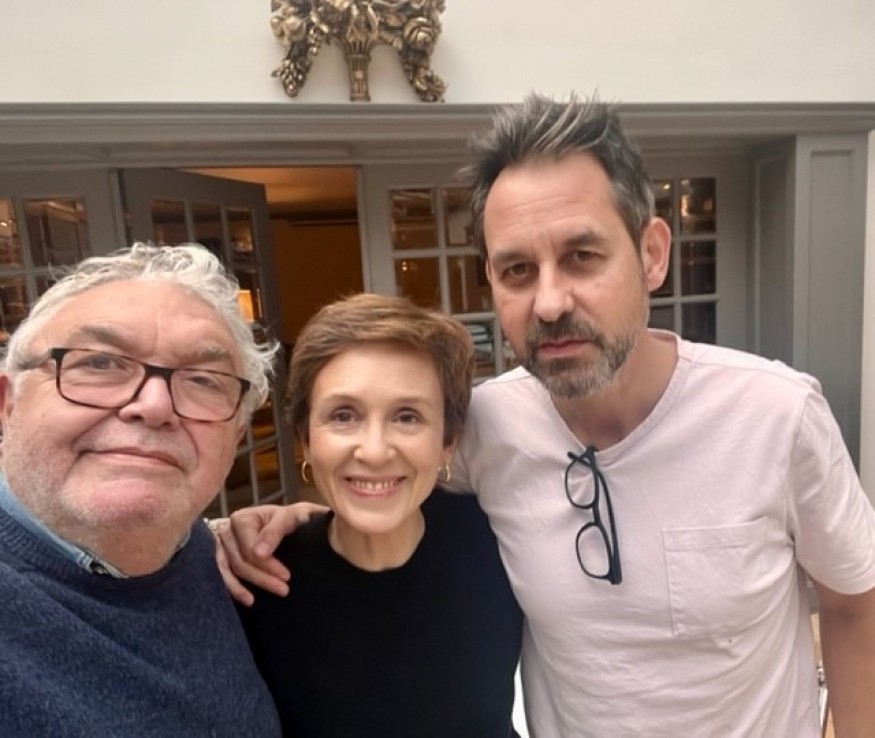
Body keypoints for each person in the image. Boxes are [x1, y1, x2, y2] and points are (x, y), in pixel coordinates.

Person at [220, 94, 875, 737]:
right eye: (517, 270)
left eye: (581, 256)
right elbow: (383, 477)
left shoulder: (775, 414)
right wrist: (286, 522)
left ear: (651, 253)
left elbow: (856, 604)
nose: (550, 302)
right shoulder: (486, 426)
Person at [0, 243, 284, 736]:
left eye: (203, 380)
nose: (154, 406)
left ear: (235, 435)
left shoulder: (212, 559)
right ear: (7, 404)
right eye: (100, 364)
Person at [229, 293, 522, 737]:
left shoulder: (498, 542)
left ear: (447, 441)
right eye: (344, 415)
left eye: (407, 417)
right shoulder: (258, 581)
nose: (374, 451)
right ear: (306, 438)